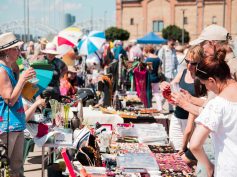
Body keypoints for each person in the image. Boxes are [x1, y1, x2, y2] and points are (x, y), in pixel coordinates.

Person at [189, 45, 237, 177]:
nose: (208, 89)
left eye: (205, 85)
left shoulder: (217, 104)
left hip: (229, 169)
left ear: (211, 80)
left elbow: (194, 144)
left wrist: (208, 166)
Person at [0, 32, 36, 177]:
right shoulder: (1, 71)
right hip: (7, 127)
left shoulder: (9, 69)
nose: (19, 52)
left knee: (17, 169)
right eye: (16, 49)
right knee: (5, 169)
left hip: (15, 125)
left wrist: (28, 86)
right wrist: (21, 80)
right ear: (7, 51)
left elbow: (16, 96)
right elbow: (9, 100)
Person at [160, 45, 202, 150]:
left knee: (191, 154)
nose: (189, 66)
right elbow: (169, 91)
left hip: (194, 122)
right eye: (187, 61)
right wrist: (164, 86)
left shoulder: (202, 79)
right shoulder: (182, 73)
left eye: (193, 63)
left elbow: (207, 102)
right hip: (177, 118)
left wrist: (190, 100)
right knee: (175, 150)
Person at [143, 45, 163, 111]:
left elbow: (148, 69)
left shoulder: (148, 59)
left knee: (148, 93)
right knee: (157, 94)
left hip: (149, 78)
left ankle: (149, 107)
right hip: (156, 78)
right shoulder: (158, 59)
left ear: (147, 51)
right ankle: (160, 108)